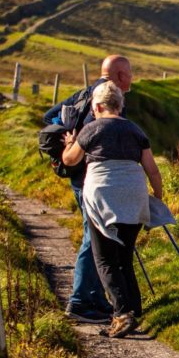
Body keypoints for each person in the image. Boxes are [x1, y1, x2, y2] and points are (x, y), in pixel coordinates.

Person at [61, 81, 163, 338]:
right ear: (121, 105)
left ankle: (122, 313)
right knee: (125, 255)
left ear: (96, 106)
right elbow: (152, 168)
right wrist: (156, 197)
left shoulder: (91, 129)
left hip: (103, 196)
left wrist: (69, 142)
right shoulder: (135, 130)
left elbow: (69, 160)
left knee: (105, 258)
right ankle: (133, 309)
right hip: (134, 194)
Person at [43, 54, 133, 324]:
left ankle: (94, 298)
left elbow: (48, 116)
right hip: (93, 177)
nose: (132, 78)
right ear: (118, 76)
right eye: (129, 73)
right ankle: (81, 302)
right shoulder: (110, 98)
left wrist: (69, 133)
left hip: (80, 175)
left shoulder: (84, 93)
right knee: (92, 238)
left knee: (94, 235)